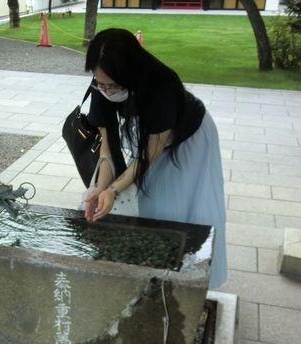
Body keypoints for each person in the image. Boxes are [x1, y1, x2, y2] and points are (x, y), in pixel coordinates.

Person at [83, 28, 227, 289]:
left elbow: (148, 156)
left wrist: (115, 189)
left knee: (176, 206)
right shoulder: (101, 86)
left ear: (131, 74)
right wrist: (101, 188)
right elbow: (106, 147)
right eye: (100, 83)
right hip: (155, 141)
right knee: (152, 206)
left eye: (113, 85)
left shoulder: (161, 90)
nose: (106, 91)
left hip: (189, 138)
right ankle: (158, 274)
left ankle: (186, 281)